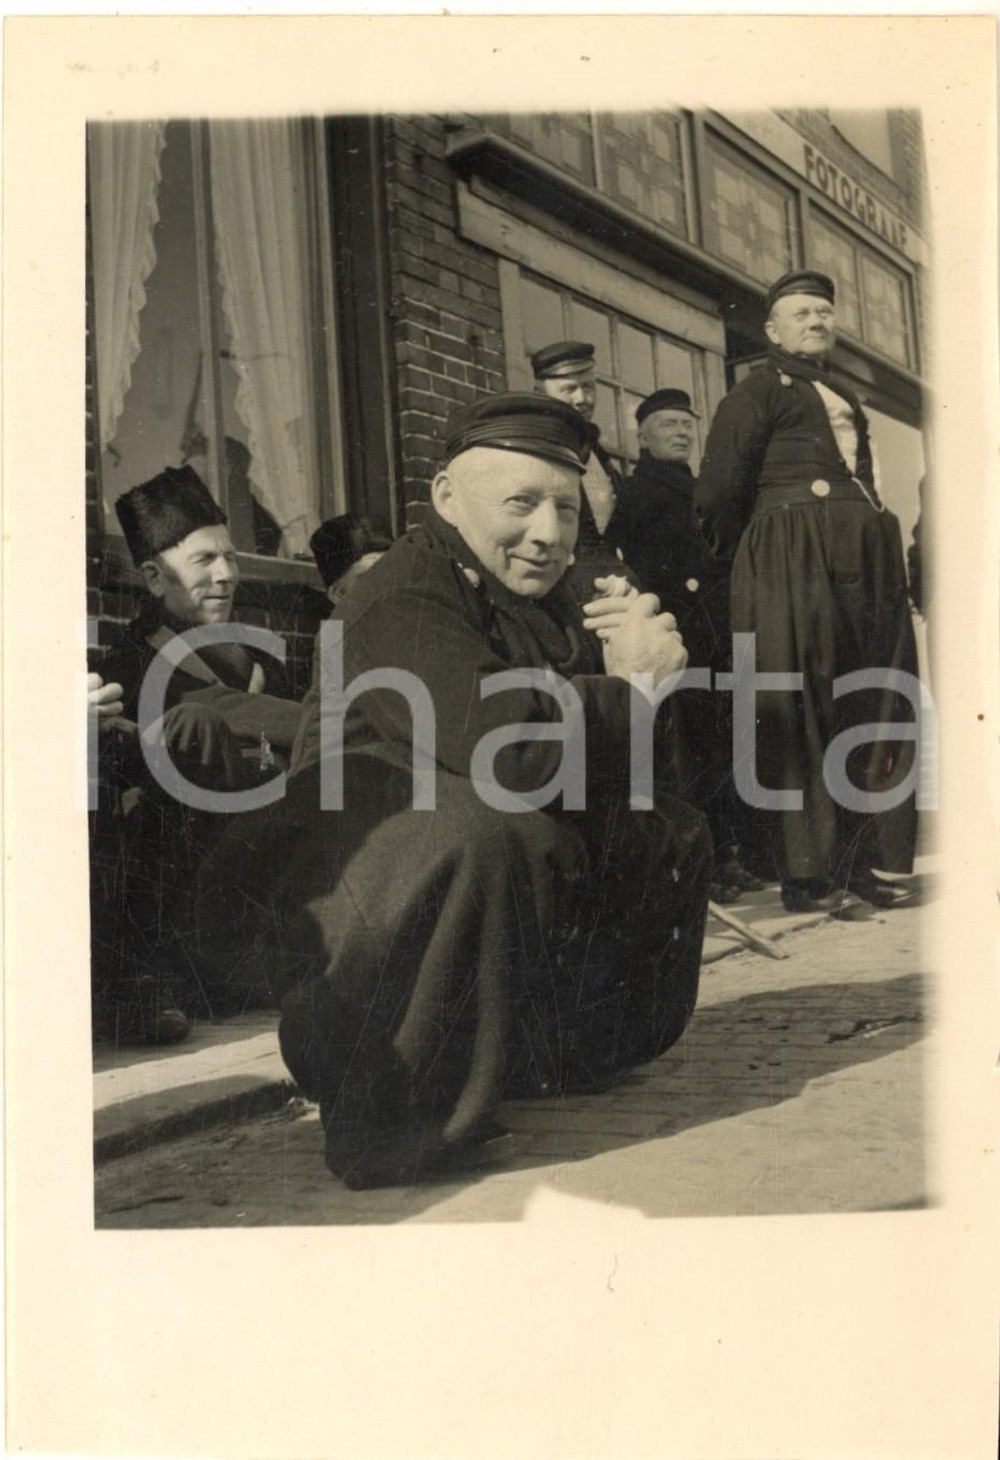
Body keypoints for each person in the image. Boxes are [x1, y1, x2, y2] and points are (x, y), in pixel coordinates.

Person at [195, 393, 712, 1189]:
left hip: (430, 844)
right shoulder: (406, 590)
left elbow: (599, 756)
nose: (548, 533)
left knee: (655, 823)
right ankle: (388, 1112)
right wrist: (631, 687)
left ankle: (561, 1055)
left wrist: (640, 670)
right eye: (521, 504)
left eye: (567, 510)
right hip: (344, 877)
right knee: (485, 828)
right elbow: (510, 748)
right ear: (445, 498)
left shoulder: (536, 591)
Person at [694, 270, 918, 914]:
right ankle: (809, 875)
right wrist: (764, 557)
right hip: (792, 559)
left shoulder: (842, 392)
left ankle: (858, 863)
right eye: (801, 313)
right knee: (803, 705)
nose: (816, 321)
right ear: (772, 330)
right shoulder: (757, 393)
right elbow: (715, 494)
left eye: (824, 311)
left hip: (862, 563)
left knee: (866, 699)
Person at [97, 465, 304, 1019]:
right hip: (176, 882)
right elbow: (219, 711)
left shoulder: (254, 656)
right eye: (204, 561)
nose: (226, 575)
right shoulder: (135, 661)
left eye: (231, 557)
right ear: (155, 578)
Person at [617, 388, 764, 902]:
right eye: (667, 425)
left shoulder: (700, 487)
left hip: (716, 636)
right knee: (691, 753)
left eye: (686, 424)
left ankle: (728, 857)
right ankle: (705, 867)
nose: (680, 432)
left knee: (722, 746)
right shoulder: (637, 495)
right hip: (679, 636)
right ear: (642, 436)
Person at [531, 340, 630, 585]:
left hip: (609, 581)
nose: (582, 398)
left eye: (588, 387)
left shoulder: (596, 451)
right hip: (560, 584)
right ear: (540, 393)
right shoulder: (536, 450)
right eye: (569, 389)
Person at [309, 513, 394, 608]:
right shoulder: (334, 622)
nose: (389, 586)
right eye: (371, 577)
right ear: (338, 593)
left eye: (393, 571)